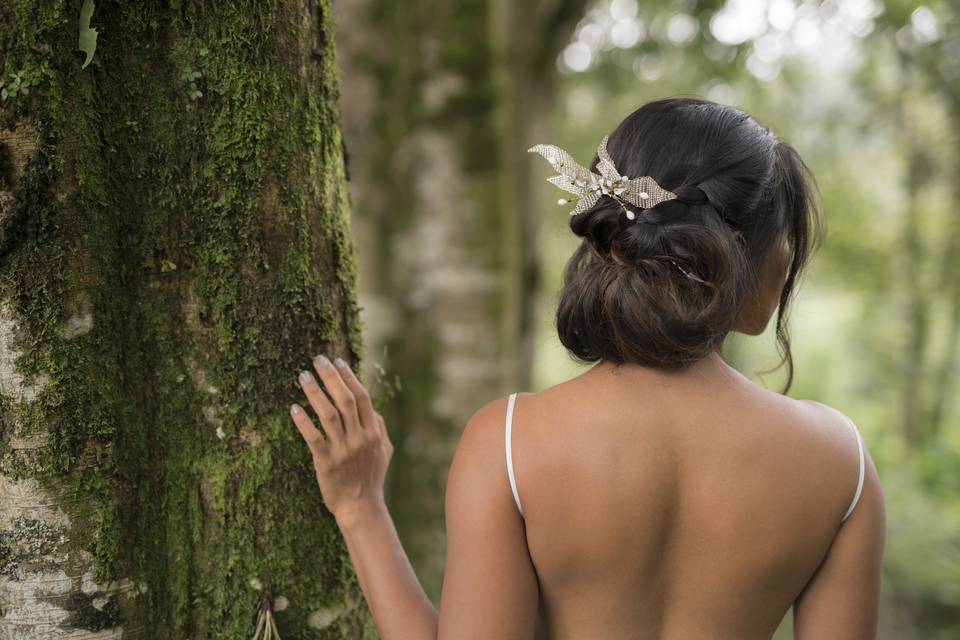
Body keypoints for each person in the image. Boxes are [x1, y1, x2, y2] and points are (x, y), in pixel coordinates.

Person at [288, 97, 886, 640]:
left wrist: (361, 508)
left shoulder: (511, 442)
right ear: (744, 252)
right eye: (782, 234)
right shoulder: (841, 464)